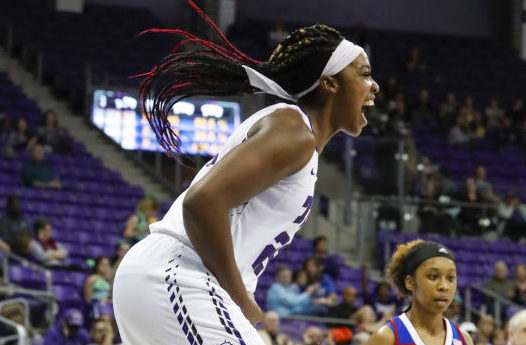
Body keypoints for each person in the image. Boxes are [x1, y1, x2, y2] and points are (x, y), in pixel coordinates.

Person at [113, 2, 379, 344]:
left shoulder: (296, 137)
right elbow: (203, 201)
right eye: (365, 73)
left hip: (165, 277)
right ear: (329, 83)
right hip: (180, 273)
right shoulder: (293, 129)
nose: (374, 86)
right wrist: (240, 296)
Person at [364, 240, 474, 345]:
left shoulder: (464, 339)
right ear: (410, 282)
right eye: (433, 276)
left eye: (450, 278)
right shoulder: (387, 337)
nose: (444, 286)